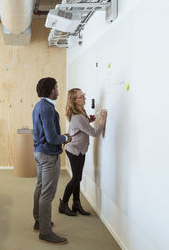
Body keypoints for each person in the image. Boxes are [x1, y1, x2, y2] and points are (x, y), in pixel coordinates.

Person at [32, 77, 71, 245]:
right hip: (48, 155)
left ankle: (39, 221)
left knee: (40, 188)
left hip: (40, 153)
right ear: (50, 90)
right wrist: (65, 137)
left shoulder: (39, 105)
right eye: (56, 87)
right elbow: (51, 137)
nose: (58, 90)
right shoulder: (47, 108)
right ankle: (45, 232)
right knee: (47, 194)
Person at [59, 88, 107, 216]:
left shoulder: (81, 112)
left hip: (79, 149)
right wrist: (102, 120)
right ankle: (63, 205)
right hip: (74, 150)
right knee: (76, 178)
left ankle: (76, 204)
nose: (84, 98)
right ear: (74, 101)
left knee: (77, 178)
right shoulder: (78, 116)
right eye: (81, 97)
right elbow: (95, 133)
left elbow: (82, 125)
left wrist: (90, 120)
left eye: (83, 95)